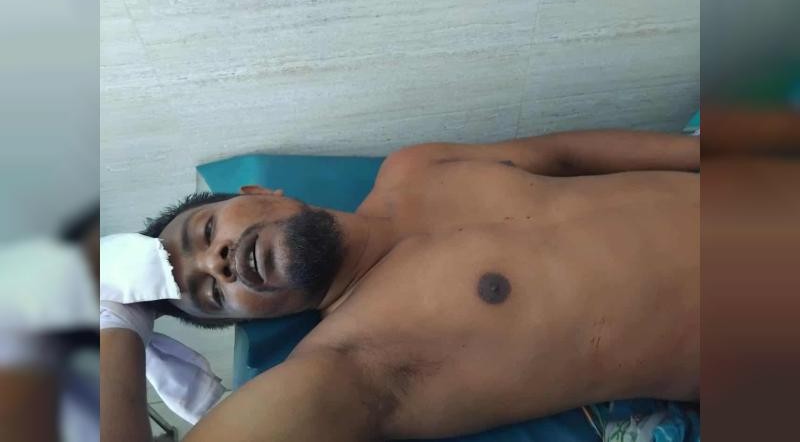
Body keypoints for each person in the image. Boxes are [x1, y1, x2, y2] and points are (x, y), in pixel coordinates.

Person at [102, 130, 699, 442]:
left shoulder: (415, 166)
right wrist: (115, 321)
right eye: (211, 294)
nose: (219, 264)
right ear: (253, 319)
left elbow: (563, 156)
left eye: (207, 232)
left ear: (260, 194)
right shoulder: (355, 361)